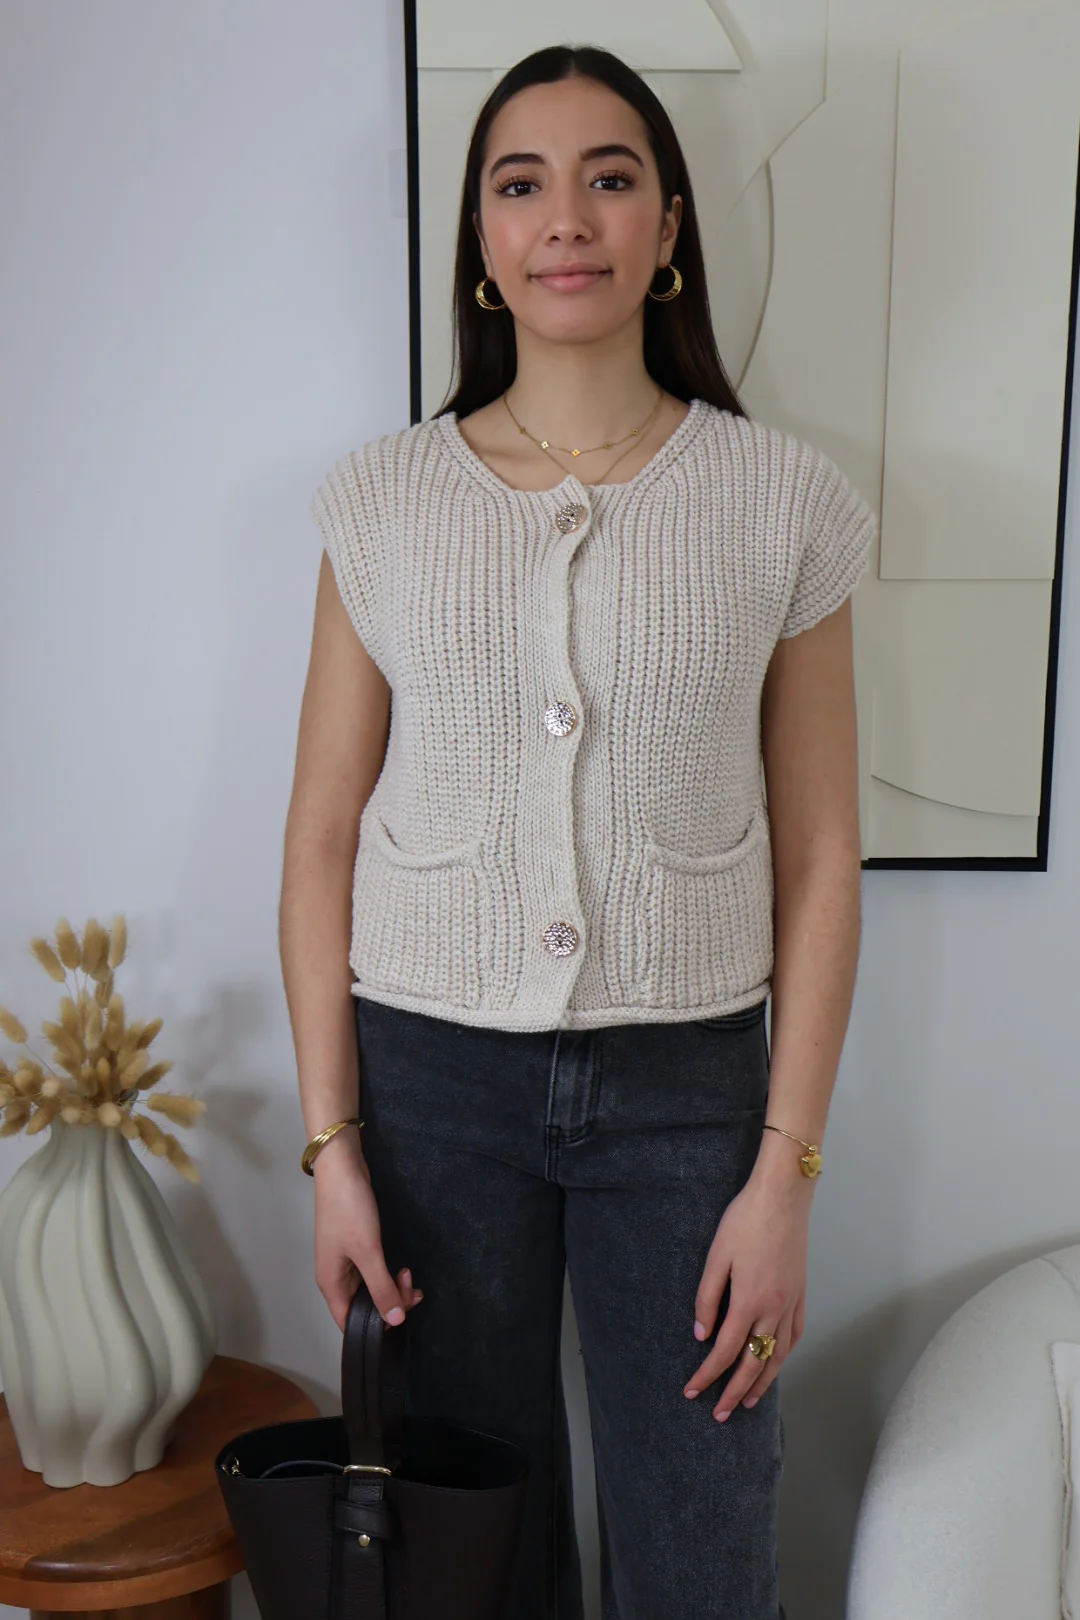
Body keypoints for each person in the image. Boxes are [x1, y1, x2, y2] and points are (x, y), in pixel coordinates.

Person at [279, 41, 877, 1620]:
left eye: (610, 178)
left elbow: (821, 856)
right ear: (480, 239)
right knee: (475, 1558)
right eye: (520, 183)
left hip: (690, 1094)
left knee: (703, 1549)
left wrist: (786, 1176)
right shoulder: (382, 504)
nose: (566, 218)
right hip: (432, 1086)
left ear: (667, 224)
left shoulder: (783, 501)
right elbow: (320, 839)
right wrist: (335, 1151)